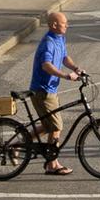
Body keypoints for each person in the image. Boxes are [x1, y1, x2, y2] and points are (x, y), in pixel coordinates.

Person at [29, 10, 83, 175]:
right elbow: (46, 65)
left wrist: (76, 68)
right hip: (43, 91)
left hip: (50, 91)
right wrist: (66, 76)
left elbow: (64, 58)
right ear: (54, 25)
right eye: (64, 23)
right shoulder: (48, 43)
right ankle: (52, 165)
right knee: (56, 126)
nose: (67, 25)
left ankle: (19, 144)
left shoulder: (59, 38)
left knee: (48, 126)